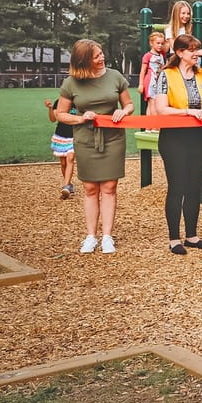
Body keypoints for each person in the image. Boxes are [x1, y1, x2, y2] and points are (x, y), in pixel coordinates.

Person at [154, 34, 202, 255]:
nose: (196, 53)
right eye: (192, 50)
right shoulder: (166, 75)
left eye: (197, 49)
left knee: (195, 185)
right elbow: (161, 108)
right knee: (177, 185)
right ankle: (174, 238)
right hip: (174, 138)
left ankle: (192, 235)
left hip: (199, 137)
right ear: (179, 53)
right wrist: (187, 111)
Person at [56, 40, 134, 254]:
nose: (102, 58)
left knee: (109, 187)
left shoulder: (115, 76)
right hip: (86, 137)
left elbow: (129, 104)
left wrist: (123, 111)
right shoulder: (71, 83)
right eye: (96, 56)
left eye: (101, 54)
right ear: (83, 60)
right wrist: (81, 118)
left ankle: (107, 236)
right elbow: (59, 114)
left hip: (113, 137)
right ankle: (91, 236)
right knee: (90, 189)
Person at [45, 96, 76, 198]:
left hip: (75, 136)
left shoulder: (79, 102)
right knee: (63, 163)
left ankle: (66, 186)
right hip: (61, 136)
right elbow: (53, 119)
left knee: (70, 159)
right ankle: (69, 184)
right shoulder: (59, 102)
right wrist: (50, 108)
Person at [138, 31, 166, 117]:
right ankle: (153, 126)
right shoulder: (148, 55)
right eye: (158, 43)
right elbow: (143, 71)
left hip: (159, 80)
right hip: (151, 81)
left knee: (155, 103)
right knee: (152, 103)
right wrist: (141, 84)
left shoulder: (162, 55)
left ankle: (150, 127)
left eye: (162, 43)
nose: (160, 45)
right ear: (151, 43)